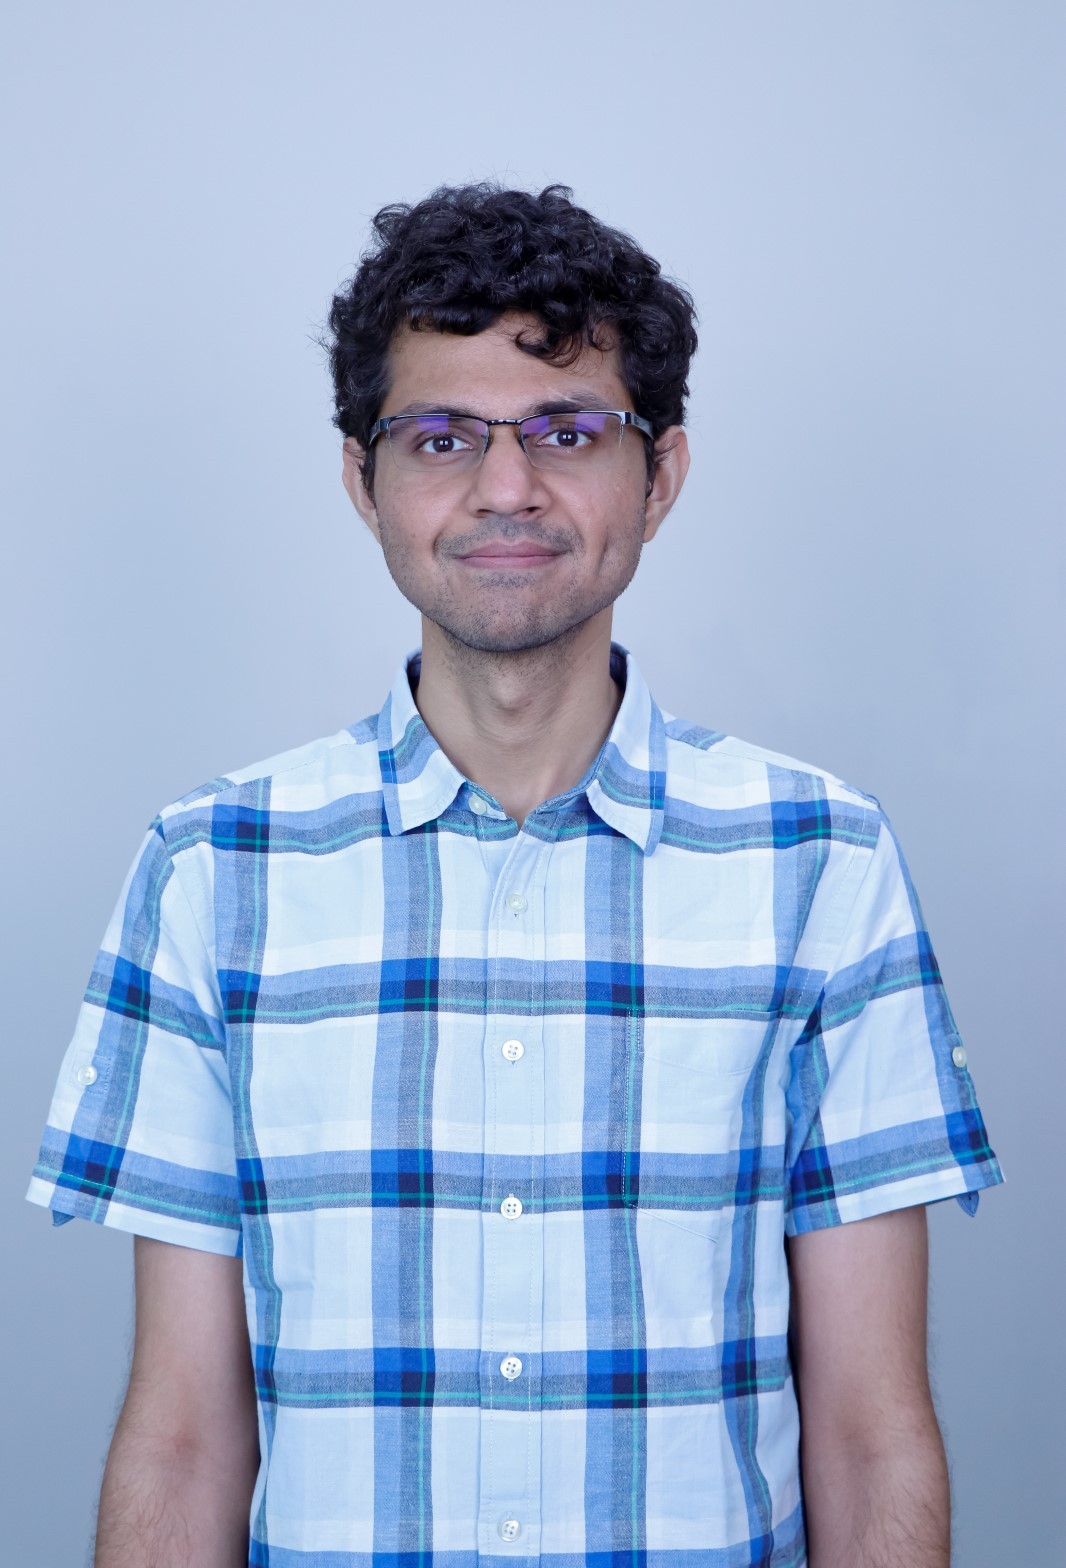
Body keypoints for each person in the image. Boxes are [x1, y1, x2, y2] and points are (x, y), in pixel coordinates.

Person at [28, 183, 1003, 1568]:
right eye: (441, 438)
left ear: (660, 475)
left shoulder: (819, 861)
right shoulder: (213, 872)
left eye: (567, 431)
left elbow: (867, 1429)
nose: (505, 488)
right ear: (363, 481)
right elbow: (183, 1436)